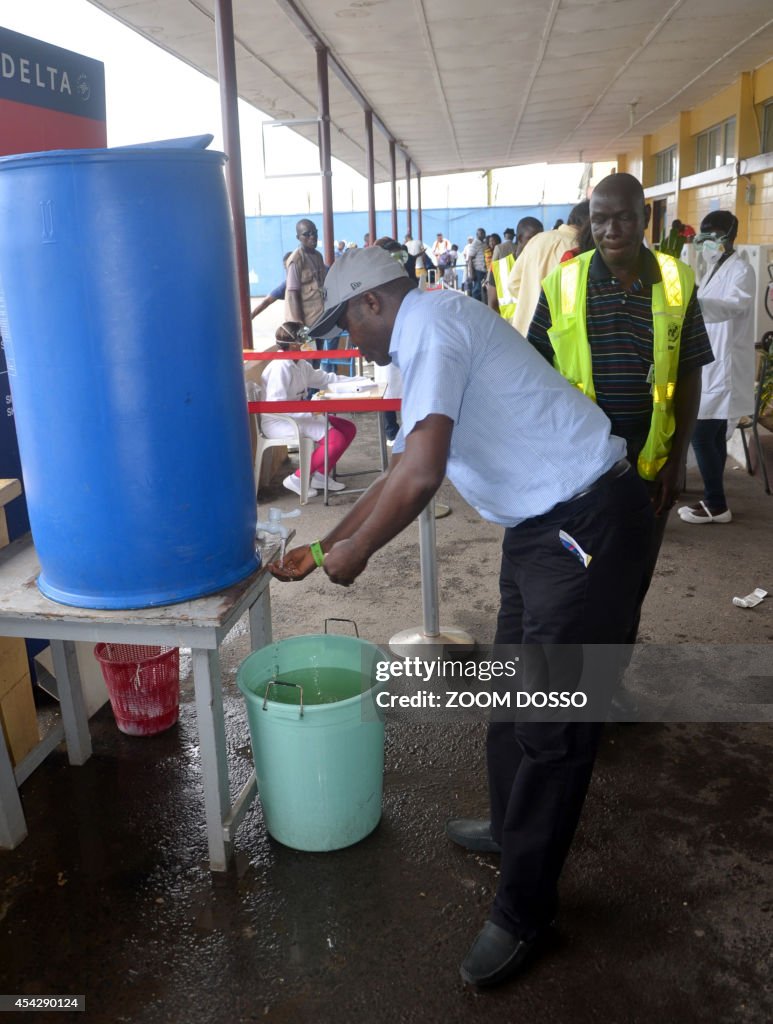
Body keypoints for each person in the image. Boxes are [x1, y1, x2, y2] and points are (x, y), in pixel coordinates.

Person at [269, 245, 654, 989]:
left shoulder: (433, 326)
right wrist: (324, 549)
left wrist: (357, 556)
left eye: (349, 325)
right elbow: (396, 469)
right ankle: (513, 834)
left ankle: (524, 912)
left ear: (372, 302)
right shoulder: (425, 334)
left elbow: (420, 473)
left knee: (551, 731)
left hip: (584, 526)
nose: (353, 344)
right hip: (542, 528)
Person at [527, 172, 713, 651]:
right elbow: (531, 371)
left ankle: (613, 678)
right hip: (580, 461)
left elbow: (690, 370)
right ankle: (577, 681)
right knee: (581, 572)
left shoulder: (676, 280)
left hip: (650, 459)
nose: (612, 230)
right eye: (601, 220)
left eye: (624, 218)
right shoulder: (564, 282)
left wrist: (677, 460)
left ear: (645, 218)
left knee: (635, 575)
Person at [678, 211, 756, 524]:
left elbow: (735, 305)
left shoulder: (741, 270)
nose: (707, 244)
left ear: (727, 237)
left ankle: (716, 503)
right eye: (703, 238)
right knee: (711, 436)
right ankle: (715, 499)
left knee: (700, 433)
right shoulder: (716, 267)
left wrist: (694, 301)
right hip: (712, 363)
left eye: (712, 237)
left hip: (725, 365)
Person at [261, 322, 357, 498]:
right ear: (292, 345)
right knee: (334, 438)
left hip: (299, 414)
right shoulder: (280, 367)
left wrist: (357, 382)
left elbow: (325, 379)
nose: (309, 342)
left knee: (348, 429)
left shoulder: (300, 363)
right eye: (303, 339)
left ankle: (320, 476)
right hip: (280, 420)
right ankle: (297, 478)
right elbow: (276, 406)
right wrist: (310, 412)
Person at [506, 202, 589, 335]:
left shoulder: (537, 239)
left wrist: (531, 300)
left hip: (523, 332)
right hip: (554, 338)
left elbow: (513, 283)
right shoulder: (579, 249)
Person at [488, 218, 542, 318]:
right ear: (520, 238)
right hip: (509, 330)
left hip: (535, 331)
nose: (537, 243)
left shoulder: (542, 266)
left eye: (540, 239)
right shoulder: (499, 268)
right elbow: (492, 306)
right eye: (532, 239)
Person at [285, 219, 327, 335]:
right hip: (305, 325)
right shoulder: (296, 259)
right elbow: (292, 294)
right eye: (306, 234)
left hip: (318, 319)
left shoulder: (318, 256)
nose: (312, 237)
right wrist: (299, 325)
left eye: (314, 232)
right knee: (309, 352)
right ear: (298, 237)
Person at [250, 253, 292, 321]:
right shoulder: (288, 284)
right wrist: (250, 317)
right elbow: (266, 301)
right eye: (286, 268)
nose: (288, 271)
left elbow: (266, 302)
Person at [467, 227, 488, 301]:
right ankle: (475, 306)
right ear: (477, 234)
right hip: (478, 270)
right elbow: (470, 259)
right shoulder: (475, 243)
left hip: (484, 270)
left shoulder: (483, 243)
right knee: (477, 291)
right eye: (481, 233)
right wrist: (472, 273)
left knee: (483, 290)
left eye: (484, 233)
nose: (483, 235)